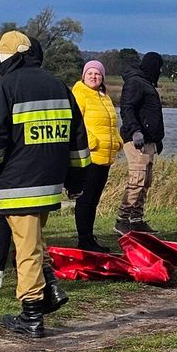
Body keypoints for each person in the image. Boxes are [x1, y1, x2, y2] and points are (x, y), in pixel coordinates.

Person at [0, 30, 90, 338]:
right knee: (33, 240)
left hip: (17, 182)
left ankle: (31, 316)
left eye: (0, 56)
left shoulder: (2, 86)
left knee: (26, 249)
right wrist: (76, 180)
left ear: (11, 56)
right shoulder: (58, 85)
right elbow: (77, 139)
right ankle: (51, 288)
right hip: (49, 183)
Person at [115, 51, 165, 235]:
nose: (159, 71)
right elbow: (127, 108)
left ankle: (136, 220)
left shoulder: (146, 82)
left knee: (145, 181)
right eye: (158, 68)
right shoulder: (135, 82)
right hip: (137, 140)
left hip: (149, 141)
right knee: (137, 179)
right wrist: (135, 131)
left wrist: (157, 139)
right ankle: (122, 220)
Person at [71, 60, 119, 252]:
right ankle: (84, 239)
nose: (93, 76)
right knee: (86, 199)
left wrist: (117, 141)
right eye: (90, 73)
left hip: (105, 156)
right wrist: (90, 142)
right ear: (83, 76)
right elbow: (76, 123)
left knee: (94, 200)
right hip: (89, 156)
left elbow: (111, 122)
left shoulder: (104, 96)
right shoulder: (79, 94)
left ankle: (89, 237)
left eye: (97, 74)